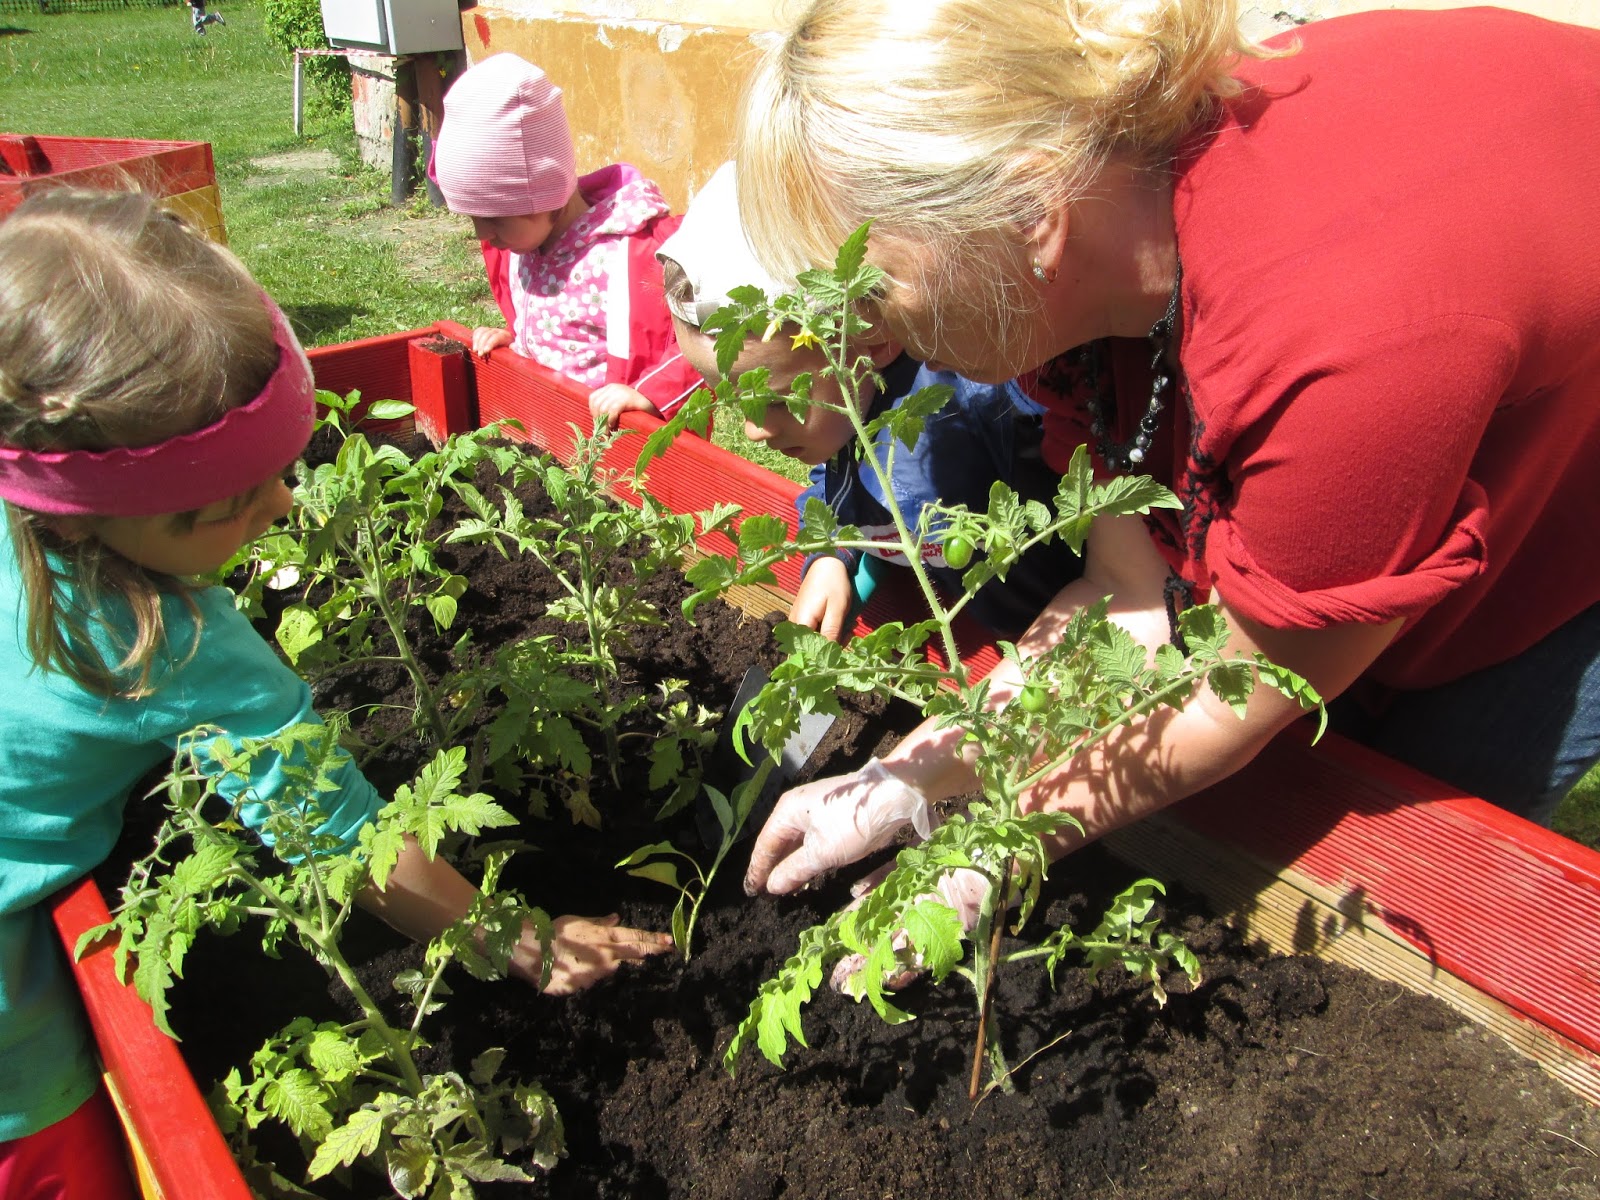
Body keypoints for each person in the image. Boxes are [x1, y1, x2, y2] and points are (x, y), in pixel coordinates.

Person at [731, 0, 1600, 906]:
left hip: (1558, 478)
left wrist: (991, 848)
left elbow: (1243, 690)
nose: (858, 343)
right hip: (1430, 347)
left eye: (876, 292)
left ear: (1028, 210)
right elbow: (1130, 595)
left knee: (1410, 831)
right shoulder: (1098, 256)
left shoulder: (1341, 340)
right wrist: (907, 782)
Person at [0, 188, 672, 1196]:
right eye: (231, 505)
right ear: (90, 515)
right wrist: (515, 935)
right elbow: (352, 845)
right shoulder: (175, 645)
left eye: (283, 466)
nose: (286, 500)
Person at [608, 161, 1083, 640]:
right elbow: (838, 479)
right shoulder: (843, 414)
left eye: (775, 401)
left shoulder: (981, 396)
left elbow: (1094, 508)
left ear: (869, 342)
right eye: (733, 400)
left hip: (1072, 631)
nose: (752, 430)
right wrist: (831, 553)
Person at [430, 53, 702, 424]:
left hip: (616, 455)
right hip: (551, 434)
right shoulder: (522, 242)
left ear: (546, 200)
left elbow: (706, 338)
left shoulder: (632, 254)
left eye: (492, 218)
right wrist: (519, 340)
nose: (483, 235)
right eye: (474, 218)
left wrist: (649, 393)